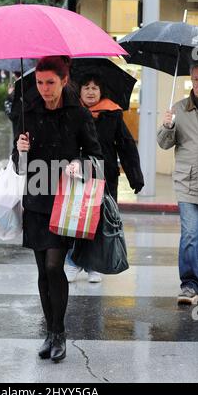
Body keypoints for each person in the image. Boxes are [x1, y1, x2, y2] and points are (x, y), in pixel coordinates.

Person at [12, 56, 102, 362]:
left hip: (65, 201)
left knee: (53, 266)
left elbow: (95, 157)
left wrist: (80, 164)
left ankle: (59, 331)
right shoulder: (28, 110)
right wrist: (20, 150)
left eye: (50, 82)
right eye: (39, 82)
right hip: (36, 199)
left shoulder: (78, 113)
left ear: (64, 80)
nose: (45, 88)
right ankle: (49, 332)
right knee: (41, 271)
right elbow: (17, 164)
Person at [66, 73, 144, 283]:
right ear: (79, 91)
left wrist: (135, 176)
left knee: (100, 221)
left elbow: (126, 145)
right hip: (78, 175)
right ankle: (73, 262)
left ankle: (94, 265)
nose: (91, 91)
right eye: (86, 87)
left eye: (95, 87)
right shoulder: (71, 112)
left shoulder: (113, 113)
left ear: (101, 92)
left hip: (106, 176)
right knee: (76, 219)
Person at [157, 63, 198, 305]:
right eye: (195, 79)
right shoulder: (179, 109)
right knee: (191, 235)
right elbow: (164, 143)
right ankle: (190, 285)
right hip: (188, 182)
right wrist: (167, 126)